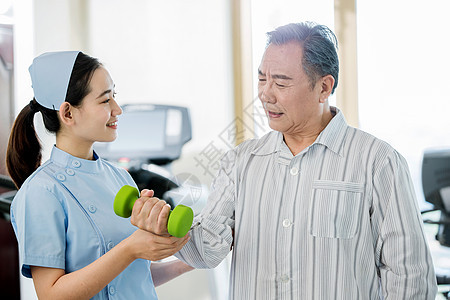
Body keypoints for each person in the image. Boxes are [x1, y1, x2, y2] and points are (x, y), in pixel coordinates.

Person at [132, 22, 438, 299]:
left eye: (281, 82)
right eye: (262, 79)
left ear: (324, 87)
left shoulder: (377, 161)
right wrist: (167, 227)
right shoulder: (240, 162)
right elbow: (208, 252)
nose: (266, 94)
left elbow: (409, 276)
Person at [6, 51, 193, 299]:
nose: (118, 109)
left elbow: (133, 277)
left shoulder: (119, 178)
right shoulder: (41, 192)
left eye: (114, 96)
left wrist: (192, 260)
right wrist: (130, 249)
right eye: (105, 101)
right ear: (68, 113)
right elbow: (51, 294)